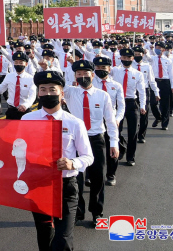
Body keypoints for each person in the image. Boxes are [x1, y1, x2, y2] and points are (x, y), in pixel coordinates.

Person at [23, 71, 94, 251]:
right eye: (43, 89)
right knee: (44, 233)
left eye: (52, 90)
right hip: (39, 185)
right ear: (38, 93)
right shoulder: (27, 120)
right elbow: (18, 150)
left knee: (63, 238)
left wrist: (73, 163)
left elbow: (88, 156)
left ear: (62, 93)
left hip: (66, 185)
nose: (48, 94)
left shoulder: (74, 122)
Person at [63, 60, 119, 226]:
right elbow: (56, 84)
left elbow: (110, 121)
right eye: (78, 74)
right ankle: (77, 212)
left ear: (92, 75)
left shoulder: (103, 95)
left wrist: (114, 143)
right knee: (75, 178)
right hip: (75, 140)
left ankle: (97, 213)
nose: (82, 77)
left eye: (85, 74)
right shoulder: (70, 92)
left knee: (98, 178)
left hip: (96, 139)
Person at [92, 57, 125, 187]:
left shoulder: (116, 85)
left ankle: (111, 174)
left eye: (103, 68)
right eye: (98, 68)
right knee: (93, 148)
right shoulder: (91, 83)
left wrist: (117, 119)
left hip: (111, 121)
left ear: (109, 69)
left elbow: (121, 105)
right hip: (94, 121)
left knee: (112, 147)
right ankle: (90, 174)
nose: (100, 70)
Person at [110, 48, 146, 166]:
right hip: (117, 103)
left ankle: (131, 157)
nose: (125, 60)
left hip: (131, 103)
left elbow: (141, 91)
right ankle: (122, 146)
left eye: (128, 58)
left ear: (132, 58)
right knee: (116, 130)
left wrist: (143, 105)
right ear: (120, 58)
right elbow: (101, 73)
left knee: (133, 131)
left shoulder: (138, 74)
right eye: (123, 58)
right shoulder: (115, 70)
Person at [131, 46, 159, 144]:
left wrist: (156, 92)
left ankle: (141, 135)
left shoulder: (147, 66)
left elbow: (152, 81)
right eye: (135, 54)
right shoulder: (130, 65)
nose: (137, 56)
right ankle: (133, 131)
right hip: (132, 91)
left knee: (144, 112)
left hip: (144, 90)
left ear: (143, 55)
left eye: (139, 54)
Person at [0, 51, 37, 120]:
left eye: (21, 62)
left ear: (26, 64)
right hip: (11, 110)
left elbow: (32, 95)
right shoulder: (9, 76)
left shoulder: (30, 78)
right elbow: (0, 90)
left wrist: (25, 105)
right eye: (16, 62)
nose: (18, 64)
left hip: (25, 110)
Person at [148, 41, 173, 130]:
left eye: (159, 48)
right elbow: (146, 58)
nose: (158, 49)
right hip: (155, 82)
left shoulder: (168, 60)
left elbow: (171, 74)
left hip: (165, 82)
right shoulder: (152, 58)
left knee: (165, 104)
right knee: (153, 103)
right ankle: (158, 117)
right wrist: (146, 51)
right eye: (156, 47)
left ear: (163, 49)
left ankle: (164, 123)